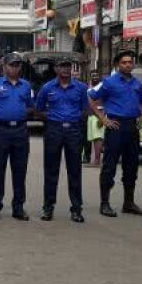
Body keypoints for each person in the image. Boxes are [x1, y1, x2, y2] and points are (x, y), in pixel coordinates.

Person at [89, 49, 142, 217]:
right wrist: (104, 119)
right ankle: (105, 203)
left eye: (130, 62)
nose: (128, 65)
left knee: (132, 167)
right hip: (115, 127)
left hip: (132, 128)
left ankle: (128, 203)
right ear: (117, 65)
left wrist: (141, 119)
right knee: (109, 166)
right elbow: (91, 99)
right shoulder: (108, 82)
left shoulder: (137, 83)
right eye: (124, 62)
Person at [35, 58, 88, 222]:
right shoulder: (47, 88)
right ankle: (48, 208)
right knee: (51, 170)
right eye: (61, 66)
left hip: (73, 130)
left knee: (75, 171)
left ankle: (76, 209)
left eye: (68, 66)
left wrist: (76, 120)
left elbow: (85, 109)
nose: (65, 69)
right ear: (56, 69)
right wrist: (51, 118)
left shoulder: (81, 87)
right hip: (54, 130)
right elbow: (38, 110)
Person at [0, 52, 34, 221]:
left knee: (20, 170)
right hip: (0, 130)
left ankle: (18, 206)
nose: (15, 68)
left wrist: (18, 113)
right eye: (12, 65)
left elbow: (30, 106)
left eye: (17, 65)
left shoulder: (26, 85)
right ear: (4, 67)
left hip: (20, 131)